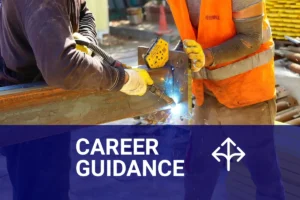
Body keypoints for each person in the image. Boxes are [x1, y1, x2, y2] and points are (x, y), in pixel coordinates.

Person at [0, 0, 153, 199]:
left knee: (53, 184)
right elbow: (62, 69)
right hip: (30, 110)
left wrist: (85, 42)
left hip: (50, 103)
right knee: (41, 190)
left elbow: (82, 11)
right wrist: (122, 80)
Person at [166, 0, 286, 199]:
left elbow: (251, 38)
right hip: (208, 95)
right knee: (198, 171)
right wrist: (175, 57)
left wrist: (207, 56)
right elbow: (194, 31)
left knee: (265, 177)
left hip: (247, 94)